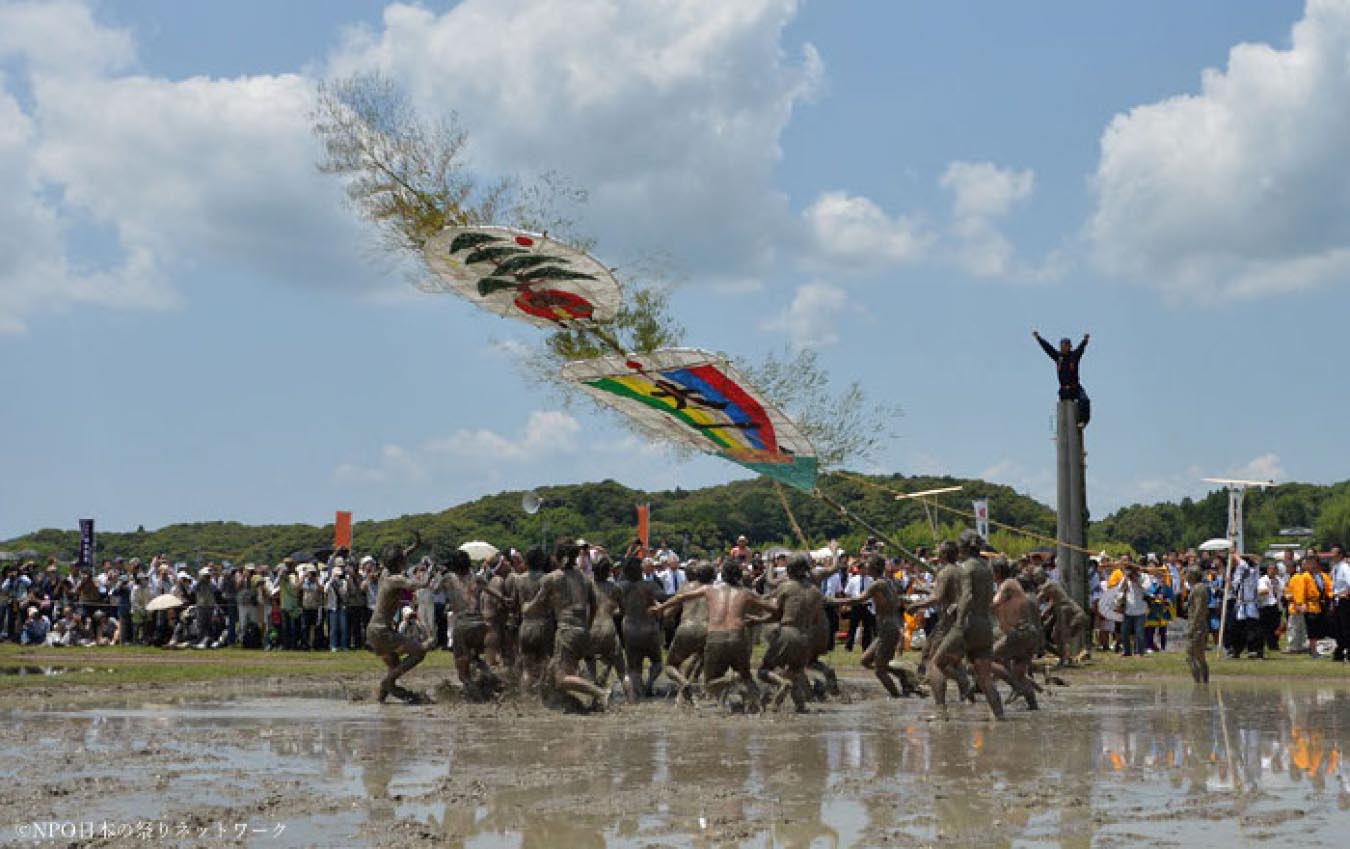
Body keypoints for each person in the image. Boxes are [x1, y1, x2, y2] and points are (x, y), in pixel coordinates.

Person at [653, 559, 777, 711]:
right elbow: (773, 609)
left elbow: (680, 599)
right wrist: (763, 618)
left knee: (709, 684)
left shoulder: (710, 590)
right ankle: (756, 706)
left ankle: (727, 684)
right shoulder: (745, 593)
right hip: (735, 635)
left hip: (713, 636)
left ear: (722, 575)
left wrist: (660, 609)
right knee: (746, 677)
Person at [522, 540, 609, 710]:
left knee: (562, 678)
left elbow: (537, 603)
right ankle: (557, 704)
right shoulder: (585, 579)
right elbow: (594, 606)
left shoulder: (552, 578)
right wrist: (587, 626)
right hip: (583, 631)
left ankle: (600, 693)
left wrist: (526, 607)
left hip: (566, 631)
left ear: (558, 557)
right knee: (551, 672)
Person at [929, 531, 1004, 721]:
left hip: (968, 624)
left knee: (935, 663)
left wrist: (960, 622)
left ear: (962, 548)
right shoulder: (987, 568)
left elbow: (967, 596)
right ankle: (1000, 716)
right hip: (985, 625)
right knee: (985, 676)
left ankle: (940, 712)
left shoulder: (965, 569)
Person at [826, 554, 917, 698]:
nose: (865, 566)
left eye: (868, 564)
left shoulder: (877, 584)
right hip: (886, 629)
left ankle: (898, 697)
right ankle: (903, 675)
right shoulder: (887, 581)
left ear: (874, 568)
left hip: (888, 629)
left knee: (879, 670)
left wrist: (832, 601)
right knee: (865, 660)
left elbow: (859, 599)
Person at [365, 534, 432, 704]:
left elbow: (400, 556)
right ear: (400, 564)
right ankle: (387, 684)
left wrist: (414, 546)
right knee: (419, 651)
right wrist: (431, 572)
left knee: (394, 667)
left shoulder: (385, 573)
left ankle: (380, 701)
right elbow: (420, 585)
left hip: (374, 630)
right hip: (382, 631)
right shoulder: (395, 580)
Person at [757, 554, 825, 713]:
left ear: (789, 570)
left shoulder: (786, 586)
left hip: (787, 632)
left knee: (763, 670)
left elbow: (776, 612)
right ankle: (798, 706)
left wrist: (758, 616)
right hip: (806, 637)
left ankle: (781, 684)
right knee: (794, 673)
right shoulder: (816, 591)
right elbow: (815, 619)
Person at [657, 561, 714, 702]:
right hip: (707, 630)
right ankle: (697, 691)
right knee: (698, 657)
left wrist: (662, 616)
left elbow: (669, 613)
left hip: (686, 628)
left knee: (670, 666)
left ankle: (684, 684)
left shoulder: (685, 588)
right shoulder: (715, 590)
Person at [990, 557, 1041, 710]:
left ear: (997, 572)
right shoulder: (1011, 584)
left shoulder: (1007, 585)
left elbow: (993, 604)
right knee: (1019, 673)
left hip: (1020, 633)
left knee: (986, 659)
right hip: (1027, 634)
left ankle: (1015, 686)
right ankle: (1034, 707)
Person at [618, 555, 666, 699]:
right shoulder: (649, 585)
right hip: (649, 629)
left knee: (634, 666)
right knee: (657, 662)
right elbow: (664, 597)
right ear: (639, 570)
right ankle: (649, 684)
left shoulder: (620, 587)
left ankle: (638, 692)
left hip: (630, 629)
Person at [509, 546, 554, 692]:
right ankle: (545, 695)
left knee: (526, 669)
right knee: (545, 662)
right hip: (543, 624)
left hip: (526, 624)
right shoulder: (548, 579)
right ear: (542, 561)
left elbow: (514, 604)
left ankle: (526, 698)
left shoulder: (519, 580)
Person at [1032, 330, 1091, 426]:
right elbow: (1048, 348)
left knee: (1085, 400)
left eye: (1064, 345)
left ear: (1069, 346)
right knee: (1065, 410)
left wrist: (1085, 340)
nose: (1062, 347)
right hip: (1064, 390)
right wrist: (1038, 338)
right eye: (1061, 345)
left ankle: (1082, 421)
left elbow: (1081, 348)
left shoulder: (1074, 356)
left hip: (1075, 387)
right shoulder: (1058, 357)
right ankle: (1064, 427)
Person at [1184, 567, 1210, 684]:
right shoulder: (1197, 587)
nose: (1186, 576)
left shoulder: (1198, 588)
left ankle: (1199, 683)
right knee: (1200, 657)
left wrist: (1193, 627)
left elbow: (1199, 609)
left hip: (1197, 627)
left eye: (1188, 573)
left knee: (1190, 656)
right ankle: (1203, 682)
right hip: (1198, 625)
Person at [1331, 545, 1350, 663]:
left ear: (1340, 555)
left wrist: (1345, 594)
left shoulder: (1345, 568)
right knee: (1337, 628)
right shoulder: (1335, 567)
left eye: (1334, 553)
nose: (1332, 555)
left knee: (1346, 628)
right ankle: (1340, 650)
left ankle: (1347, 651)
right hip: (1337, 600)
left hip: (1344, 601)